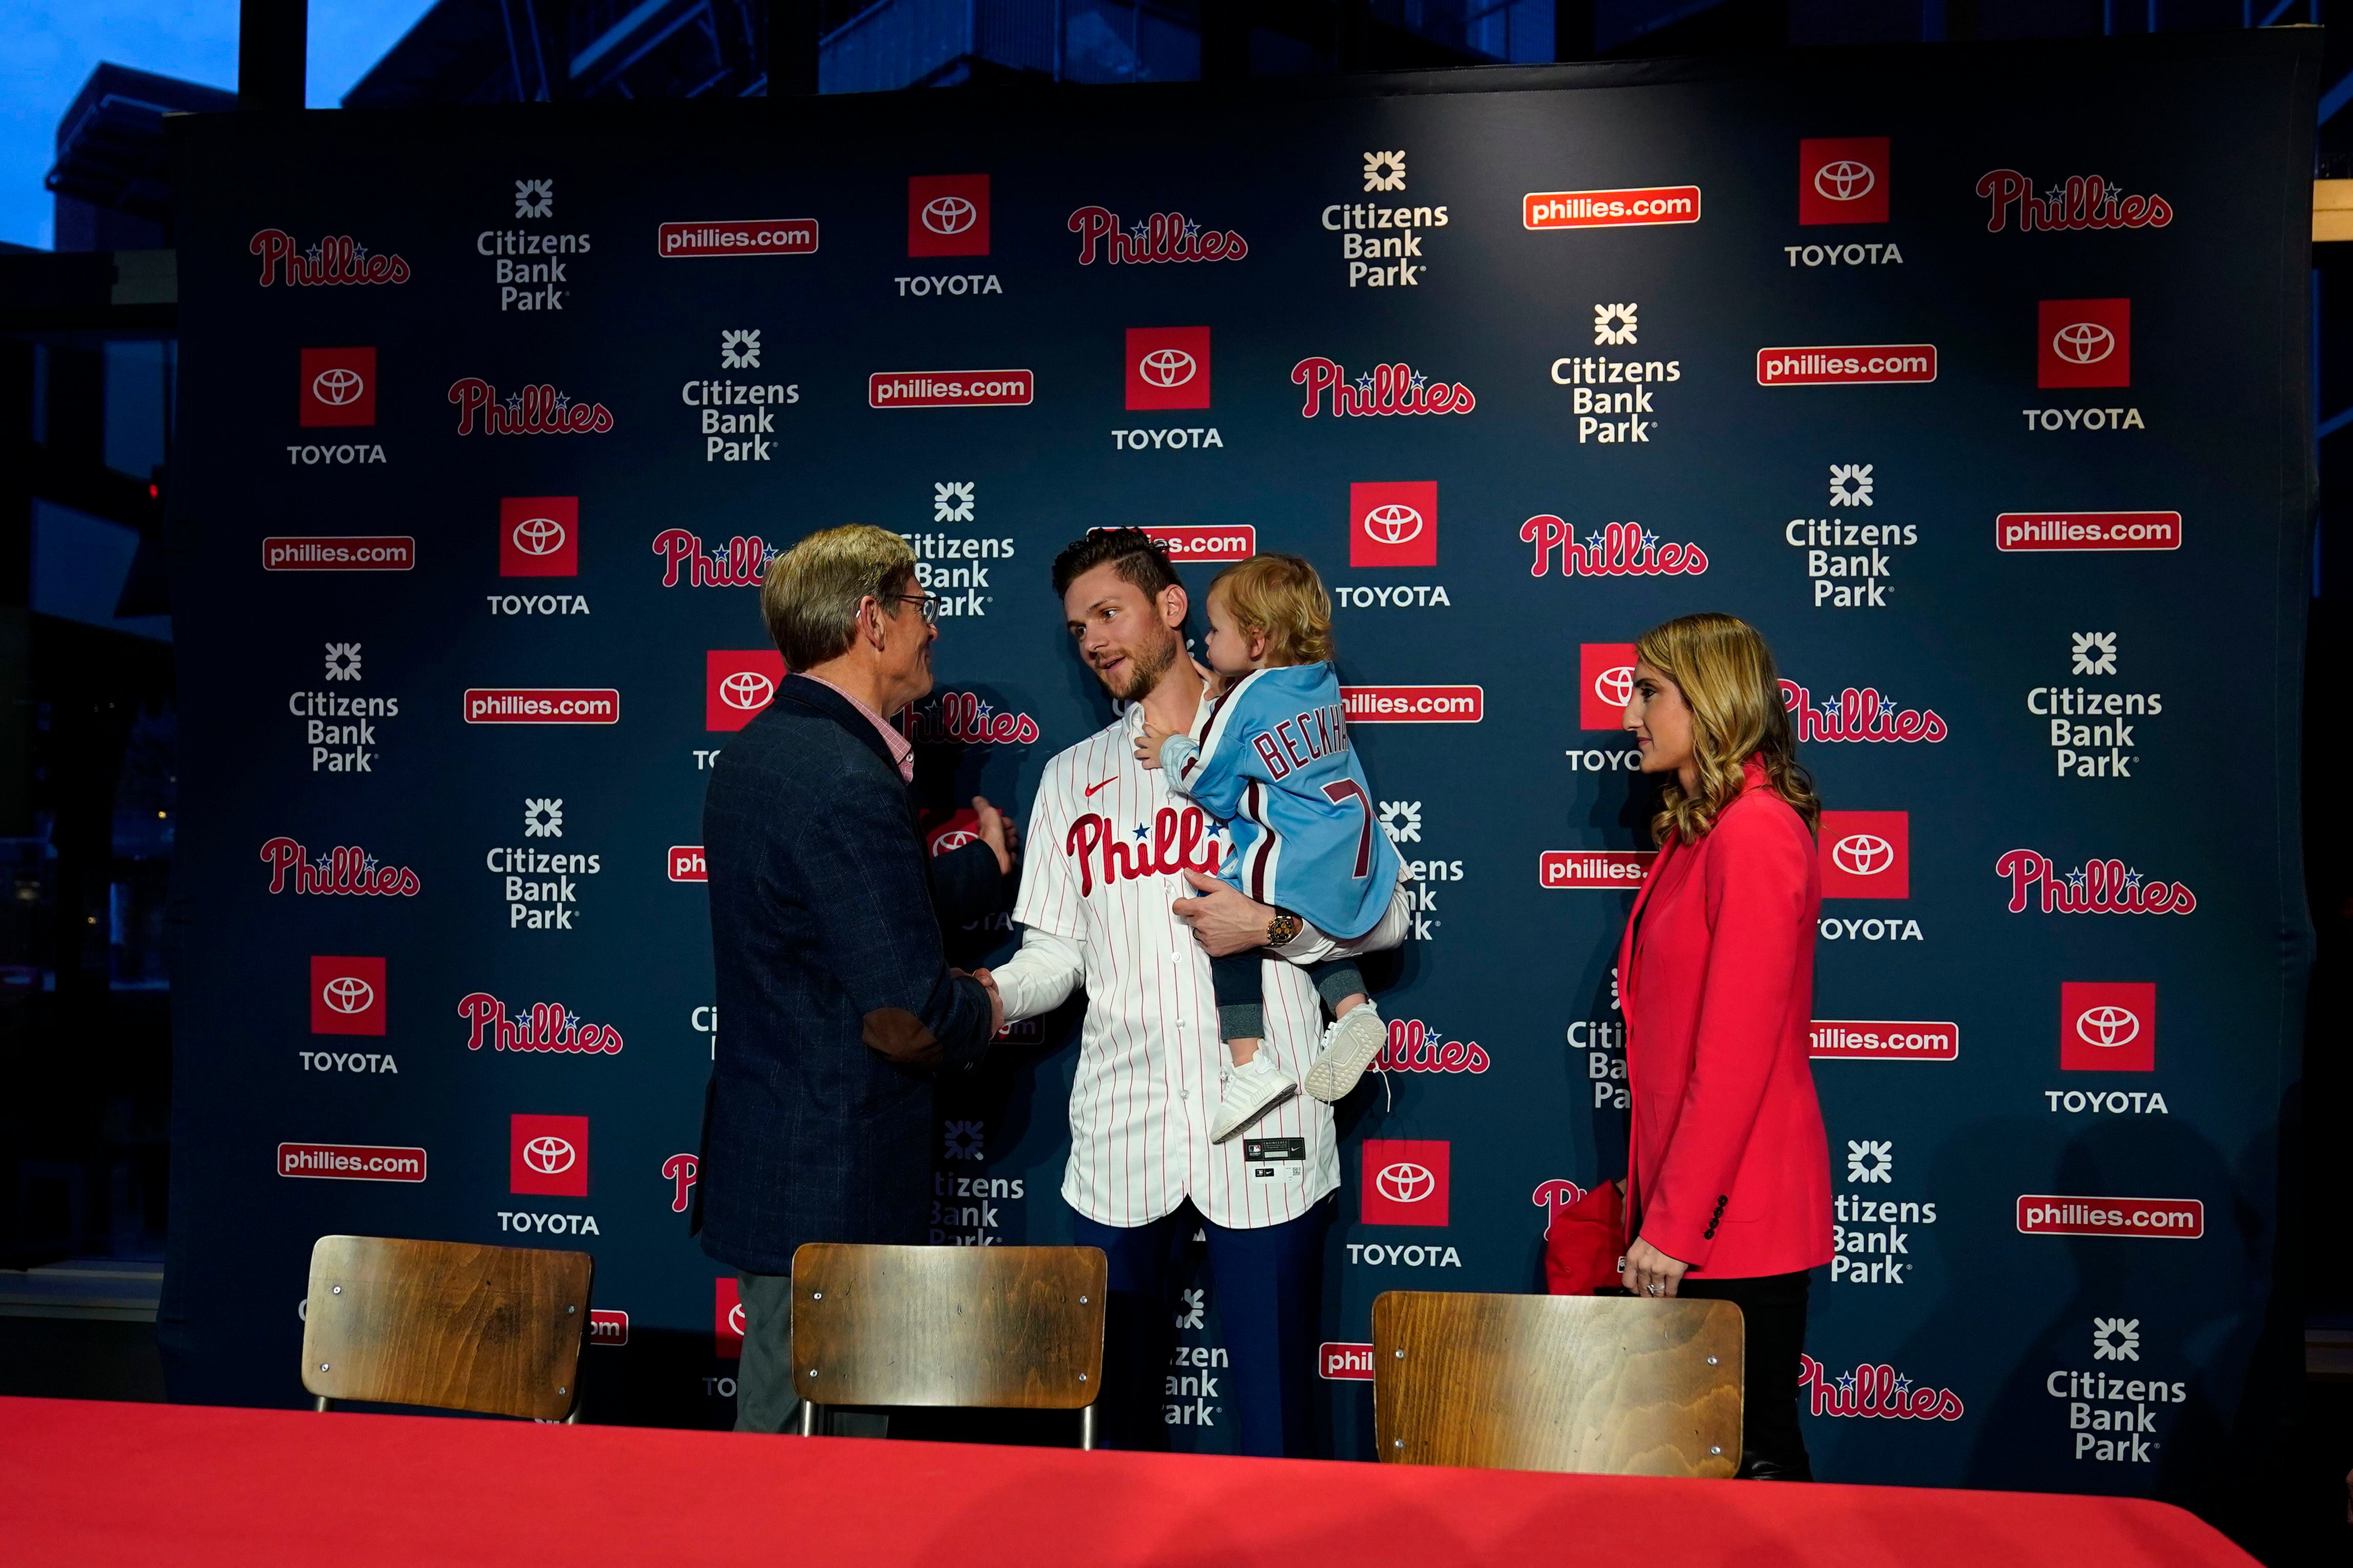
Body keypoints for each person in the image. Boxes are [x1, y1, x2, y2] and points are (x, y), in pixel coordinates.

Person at [977, 528, 1411, 1458]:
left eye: (1110, 612)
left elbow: (1385, 917)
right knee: (1109, 1429)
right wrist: (986, 999)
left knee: (1277, 1425)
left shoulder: (1283, 735)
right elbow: (1054, 956)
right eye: (1077, 626)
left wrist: (1273, 929)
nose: (1094, 640)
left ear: (1174, 610)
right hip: (1123, 1125)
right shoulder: (1071, 780)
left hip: (1266, 1118)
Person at [695, 523, 1015, 1436]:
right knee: (822, 1474)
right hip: (836, 1179)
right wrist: (991, 1001)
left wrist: (975, 872)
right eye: (922, 608)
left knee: (786, 1442)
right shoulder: (844, 775)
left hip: (781, 1159)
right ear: (870, 620)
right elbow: (903, 1013)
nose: (935, 629)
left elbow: (843, 909)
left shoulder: (765, 750)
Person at [1613, 611, 1832, 1481]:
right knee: (1697, 1465)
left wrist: (1671, 1226)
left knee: (1749, 1459)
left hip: (1731, 1216)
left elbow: (1736, 1056)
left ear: (1712, 702)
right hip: (1694, 1208)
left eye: (1649, 692)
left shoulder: (1755, 832)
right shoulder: (1702, 829)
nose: (1630, 714)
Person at [1135, 553, 1399, 1142]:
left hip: (1293, 854)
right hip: (1349, 850)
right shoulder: (1321, 677)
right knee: (1315, 926)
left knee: (1225, 919)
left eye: (1217, 630)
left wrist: (1171, 748)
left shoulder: (1246, 698)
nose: (1204, 640)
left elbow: (1212, 784)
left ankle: (1249, 1065)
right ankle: (1353, 1010)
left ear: (1256, 641)